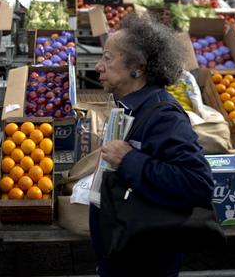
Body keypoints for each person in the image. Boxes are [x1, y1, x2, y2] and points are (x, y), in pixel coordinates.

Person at [90, 14, 214, 277]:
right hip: (126, 250)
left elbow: (198, 183)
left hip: (147, 261)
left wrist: (129, 160)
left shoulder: (163, 116)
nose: (98, 66)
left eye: (108, 58)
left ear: (138, 66)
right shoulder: (132, 106)